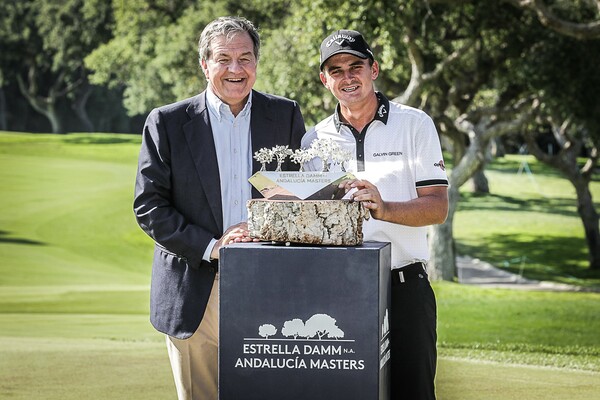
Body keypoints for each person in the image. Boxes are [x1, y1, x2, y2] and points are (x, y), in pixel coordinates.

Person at [133, 16, 305, 400]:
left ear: (257, 64)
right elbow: (149, 206)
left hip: (269, 287)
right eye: (224, 58)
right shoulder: (167, 122)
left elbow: (300, 195)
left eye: (245, 58)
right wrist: (213, 247)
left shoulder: (285, 115)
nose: (235, 69)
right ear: (204, 64)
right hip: (195, 289)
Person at [301, 29, 449, 400]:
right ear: (325, 79)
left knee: (412, 392)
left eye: (355, 66)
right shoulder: (312, 142)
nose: (347, 77)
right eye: (336, 70)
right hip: (340, 290)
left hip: (404, 288)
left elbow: (437, 206)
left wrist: (384, 208)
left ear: (374, 69)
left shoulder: (414, 124)